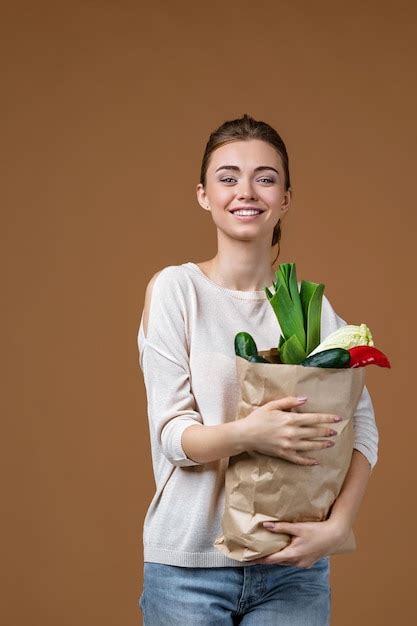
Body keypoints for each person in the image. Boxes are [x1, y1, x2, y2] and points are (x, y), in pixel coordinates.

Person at [136, 114, 378, 625]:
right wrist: (253, 434)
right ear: (204, 194)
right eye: (228, 177)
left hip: (293, 567)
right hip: (189, 569)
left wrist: (338, 528)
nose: (246, 191)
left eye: (265, 178)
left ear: (285, 198)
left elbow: (363, 431)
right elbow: (173, 436)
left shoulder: (311, 308)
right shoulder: (177, 291)